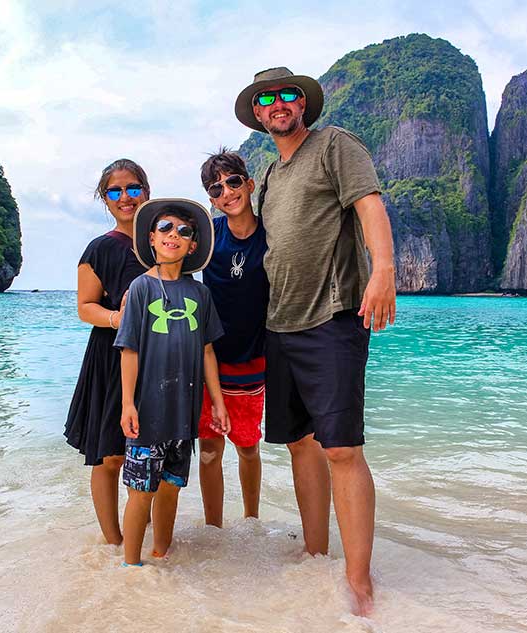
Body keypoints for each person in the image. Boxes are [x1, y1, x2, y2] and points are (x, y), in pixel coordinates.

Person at [234, 67, 396, 615]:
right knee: (300, 443)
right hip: (279, 325)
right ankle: (314, 553)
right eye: (266, 100)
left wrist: (383, 271)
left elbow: (369, 205)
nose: (277, 104)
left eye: (286, 95)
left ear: (303, 103)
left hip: (331, 318)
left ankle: (360, 581)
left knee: (343, 448)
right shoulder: (271, 175)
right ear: (257, 114)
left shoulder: (335, 145)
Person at [114, 198, 230, 566]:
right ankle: (131, 566)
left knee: (171, 488)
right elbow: (128, 350)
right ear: (151, 237)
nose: (173, 236)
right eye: (165, 228)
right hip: (148, 412)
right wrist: (128, 403)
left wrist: (220, 403)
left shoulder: (200, 294)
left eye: (183, 231)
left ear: (193, 245)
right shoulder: (140, 289)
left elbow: (208, 351)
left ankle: (161, 554)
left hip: (184, 412)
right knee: (140, 492)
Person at [64, 159, 150, 546]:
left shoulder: (164, 242)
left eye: (133, 188)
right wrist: (119, 317)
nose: (125, 197)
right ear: (105, 198)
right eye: (115, 191)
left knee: (152, 451)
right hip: (111, 354)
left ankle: (146, 534)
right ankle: (113, 542)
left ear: (146, 191)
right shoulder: (100, 249)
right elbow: (86, 307)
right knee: (109, 454)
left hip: (157, 358)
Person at [196, 149, 268, 527]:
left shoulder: (273, 234)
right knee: (208, 449)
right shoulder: (207, 237)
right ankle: (213, 528)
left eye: (233, 181)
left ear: (249, 184)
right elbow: (166, 262)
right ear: (211, 200)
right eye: (216, 188)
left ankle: (252, 522)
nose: (227, 192)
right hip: (210, 358)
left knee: (248, 447)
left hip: (254, 359)